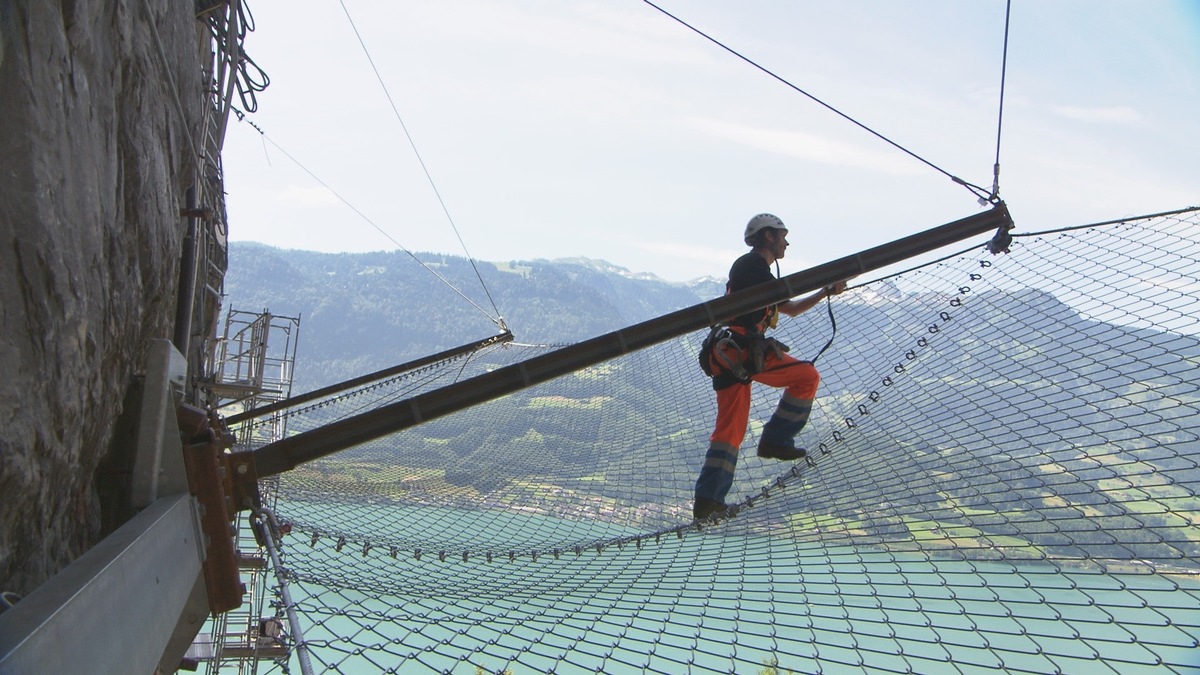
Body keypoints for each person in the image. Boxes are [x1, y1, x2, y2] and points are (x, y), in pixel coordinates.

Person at [693, 213, 847, 520]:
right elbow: (785, 298)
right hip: (740, 351)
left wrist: (823, 292)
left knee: (730, 431)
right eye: (782, 236)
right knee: (806, 376)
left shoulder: (757, 274)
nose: (786, 242)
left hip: (733, 354)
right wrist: (825, 284)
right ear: (768, 237)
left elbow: (788, 308)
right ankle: (776, 438)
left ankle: (707, 501)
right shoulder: (751, 266)